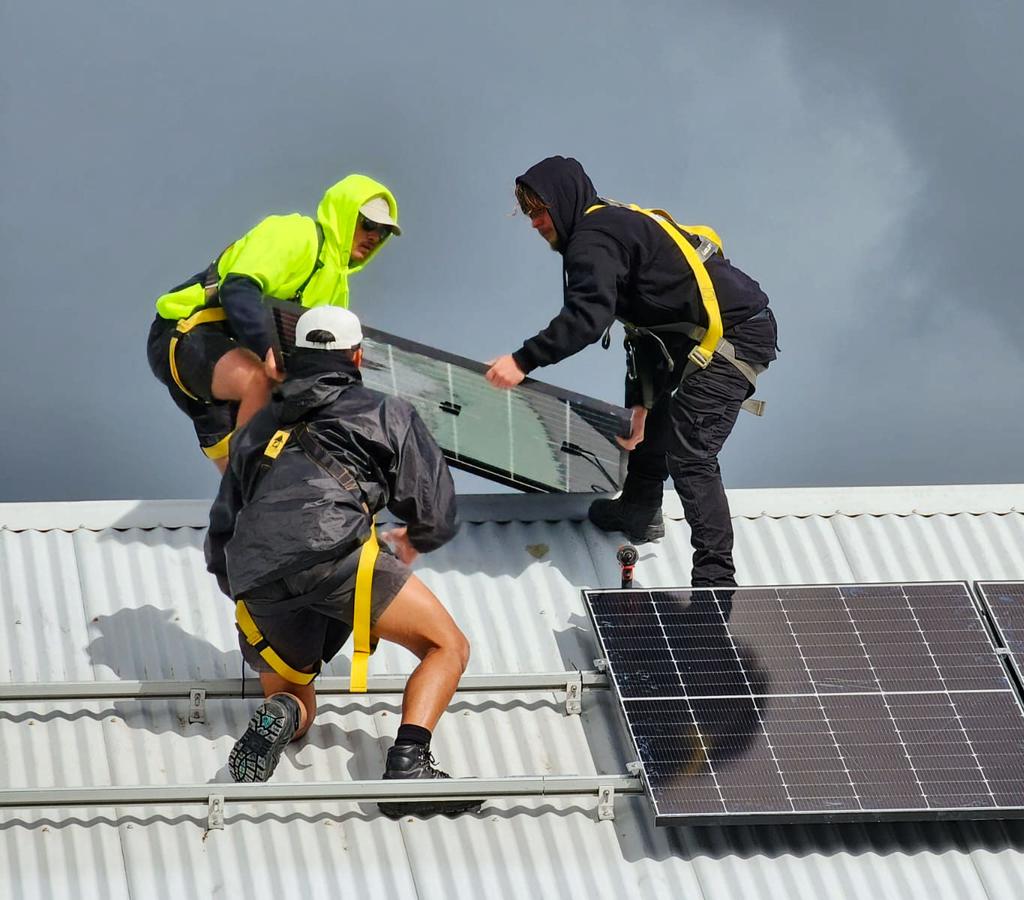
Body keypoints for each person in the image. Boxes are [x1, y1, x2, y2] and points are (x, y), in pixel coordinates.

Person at [205, 306, 479, 818]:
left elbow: (221, 530)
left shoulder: (258, 426)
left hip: (257, 578)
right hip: (338, 555)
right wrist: (416, 538)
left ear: (297, 358)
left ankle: (281, 712)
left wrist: (248, 587)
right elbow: (436, 510)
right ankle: (409, 765)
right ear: (357, 356)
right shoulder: (385, 411)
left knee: (298, 699)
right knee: (447, 646)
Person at [486, 156, 779, 588]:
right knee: (654, 421)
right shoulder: (607, 224)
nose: (534, 223)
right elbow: (645, 335)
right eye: (529, 214)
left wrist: (522, 360)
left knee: (691, 451)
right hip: (700, 338)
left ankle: (716, 580)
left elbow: (587, 319)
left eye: (539, 210)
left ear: (563, 202)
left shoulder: (592, 240)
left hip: (733, 338)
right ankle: (639, 509)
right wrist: (639, 406)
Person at [147, 174, 401, 471]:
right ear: (344, 213)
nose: (374, 236)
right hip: (187, 333)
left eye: (382, 232)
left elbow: (328, 358)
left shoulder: (337, 289)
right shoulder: (295, 233)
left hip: (232, 361)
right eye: (368, 224)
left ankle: (250, 507)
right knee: (261, 382)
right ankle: (253, 486)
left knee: (247, 485)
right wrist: (270, 348)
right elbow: (238, 289)